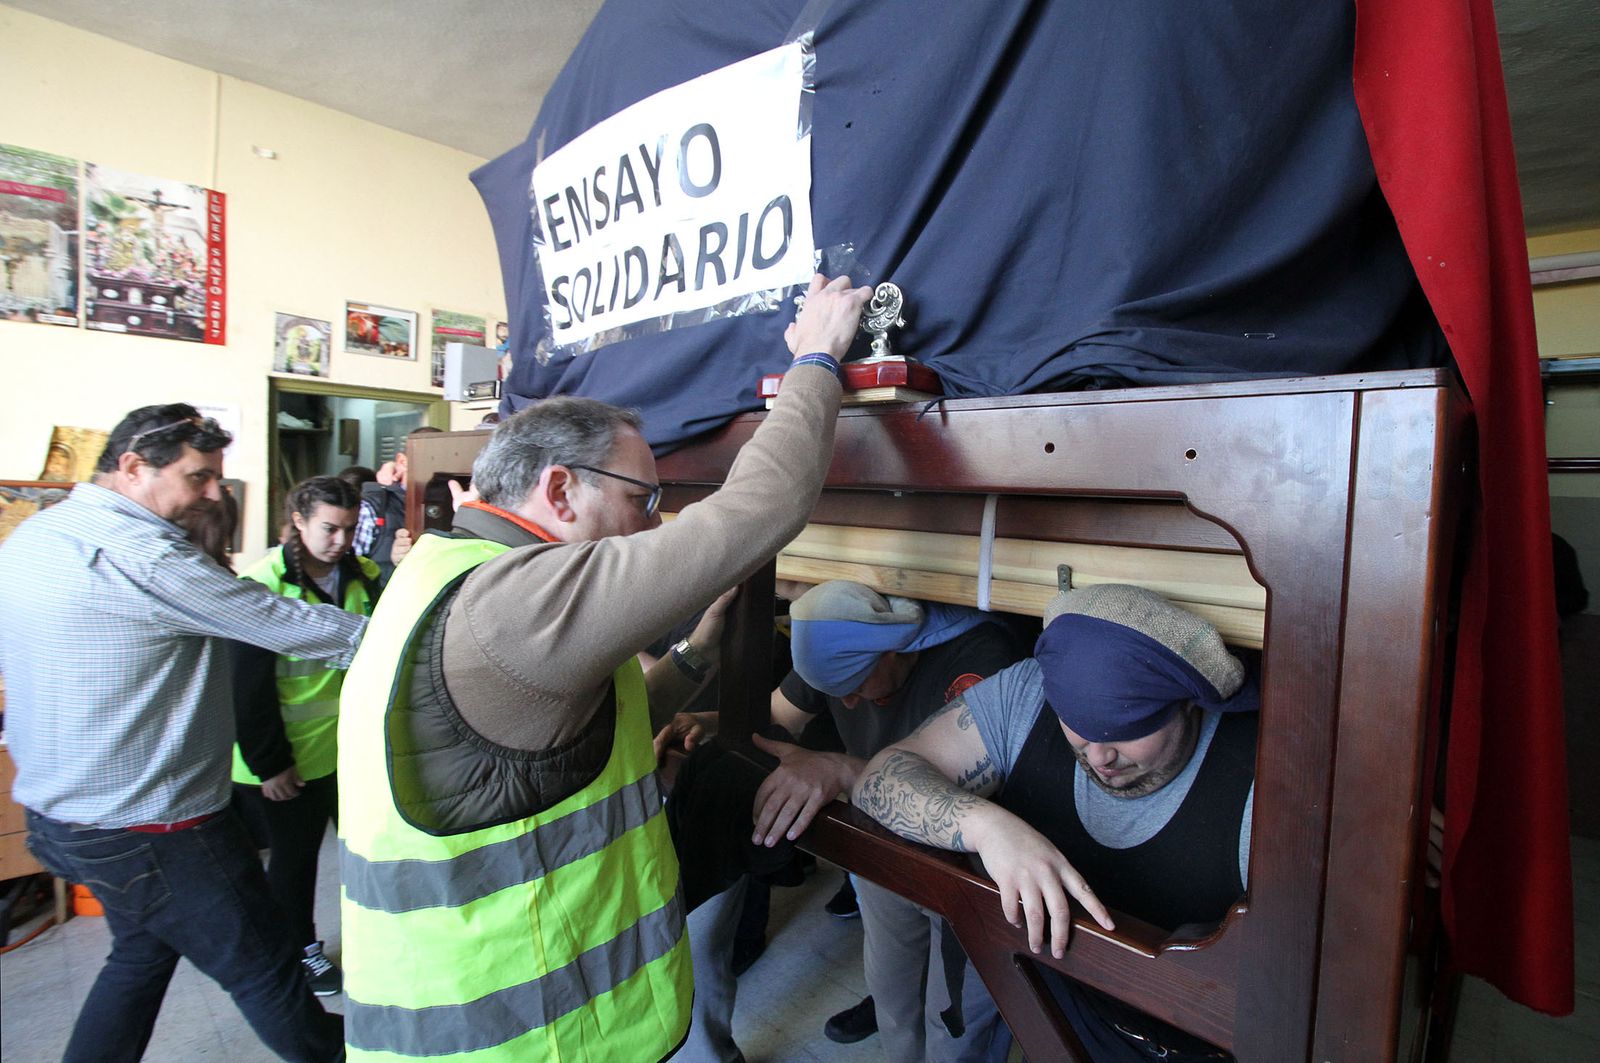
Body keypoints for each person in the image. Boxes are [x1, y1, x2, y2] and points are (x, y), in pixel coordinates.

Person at [337, 273, 872, 1061]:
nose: (653, 524)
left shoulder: (447, 572)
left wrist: (692, 657)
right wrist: (818, 356)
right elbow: (758, 510)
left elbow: (547, 736)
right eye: (642, 501)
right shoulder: (516, 602)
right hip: (521, 1036)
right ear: (559, 488)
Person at [0, 404, 369, 1063]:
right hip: (158, 829)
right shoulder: (147, 556)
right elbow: (289, 625)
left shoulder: (37, 536)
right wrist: (425, 634)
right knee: (270, 973)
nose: (213, 493)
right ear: (134, 467)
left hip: (62, 817)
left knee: (140, 954)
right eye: (199, 476)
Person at [852, 583, 1260, 1062]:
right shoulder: (1028, 695)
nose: (1101, 757)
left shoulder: (1263, 777)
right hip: (1036, 988)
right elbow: (880, 778)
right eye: (1079, 736)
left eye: (1126, 732)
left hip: (1173, 1036)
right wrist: (988, 827)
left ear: (1188, 701)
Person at [751, 580, 1025, 1061]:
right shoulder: (835, 646)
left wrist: (837, 767)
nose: (848, 704)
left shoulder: (980, 657)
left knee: (954, 1024)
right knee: (891, 997)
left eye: (855, 689)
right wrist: (708, 726)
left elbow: (957, 799)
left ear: (894, 652)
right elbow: (778, 715)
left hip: (963, 868)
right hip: (882, 849)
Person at [231, 476, 381, 997]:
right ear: (297, 521)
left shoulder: (363, 576)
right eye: (328, 529)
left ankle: (375, 937)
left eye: (348, 528)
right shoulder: (260, 584)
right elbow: (246, 688)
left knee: (367, 849)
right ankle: (301, 952)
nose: (339, 541)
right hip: (283, 761)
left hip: (348, 753)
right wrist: (270, 764)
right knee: (294, 866)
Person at [353, 426, 441, 580]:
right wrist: (393, 564)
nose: (439, 467)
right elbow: (350, 574)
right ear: (402, 461)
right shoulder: (372, 507)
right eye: (430, 457)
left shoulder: (457, 502)